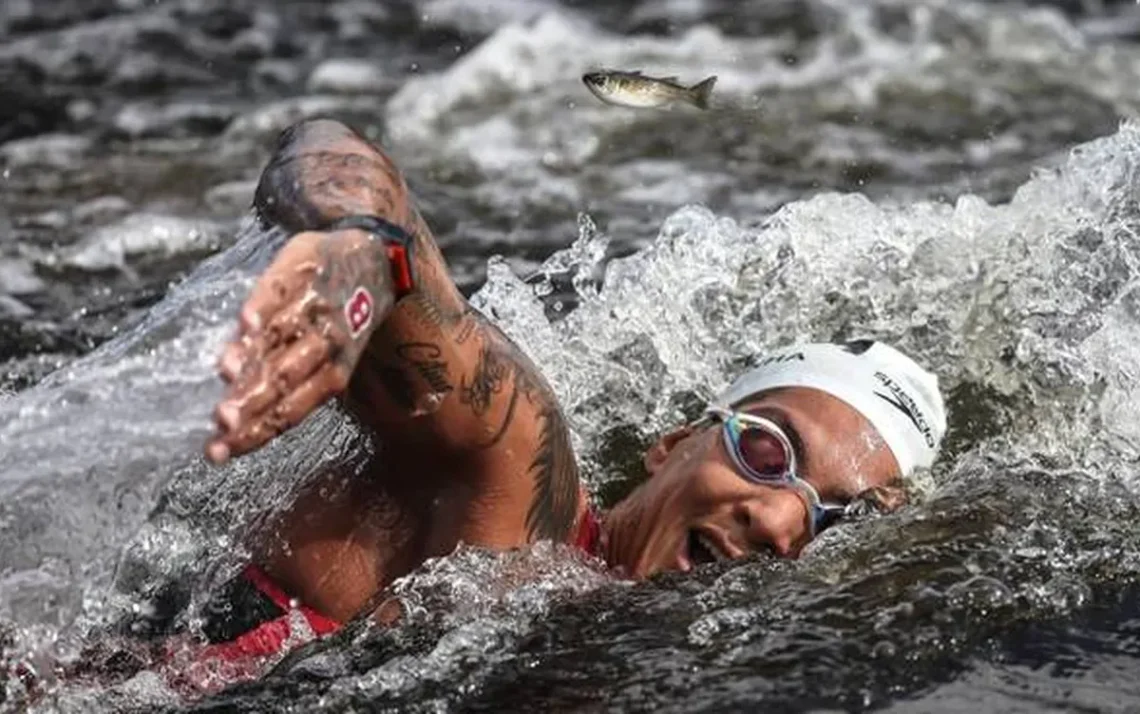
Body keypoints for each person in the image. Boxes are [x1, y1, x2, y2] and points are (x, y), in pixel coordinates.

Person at [182, 117, 948, 667]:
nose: (782, 518)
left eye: (832, 522)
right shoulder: (515, 482)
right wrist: (359, 248)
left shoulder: (642, 656)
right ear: (675, 442)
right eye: (765, 448)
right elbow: (336, 154)